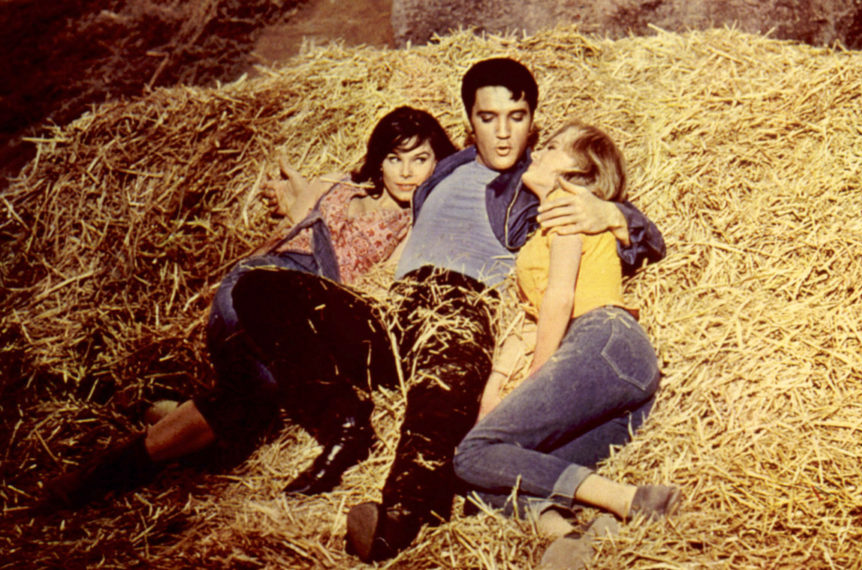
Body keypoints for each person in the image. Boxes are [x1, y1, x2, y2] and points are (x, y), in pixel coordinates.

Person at [279, 57, 666, 563]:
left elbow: (594, 262)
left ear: (534, 123)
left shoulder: (547, 195)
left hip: (471, 307)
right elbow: (378, 170)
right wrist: (310, 196)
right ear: (469, 122)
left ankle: (401, 517)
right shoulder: (447, 166)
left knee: (469, 442)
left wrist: (611, 212)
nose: (505, 136)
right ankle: (568, 536)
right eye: (488, 118)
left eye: (519, 119)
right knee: (266, 290)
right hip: (398, 307)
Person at [41, 106, 456, 508]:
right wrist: (287, 191)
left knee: (250, 401)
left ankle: (111, 464)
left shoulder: (416, 223)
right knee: (254, 389)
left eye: (420, 159)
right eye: (394, 158)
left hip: (295, 311)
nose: (406, 172)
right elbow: (296, 209)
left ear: (437, 163)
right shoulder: (340, 186)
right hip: (254, 283)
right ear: (378, 161)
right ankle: (126, 447)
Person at [452, 122, 680, 569]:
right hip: (619, 374)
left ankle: (629, 499)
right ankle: (570, 536)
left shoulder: (567, 204)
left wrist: (539, 370)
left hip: (603, 339)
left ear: (580, 172)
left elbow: (560, 296)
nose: (538, 151)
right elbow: (531, 320)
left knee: (472, 453)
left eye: (553, 147)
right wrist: (494, 389)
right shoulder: (543, 224)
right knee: (488, 478)